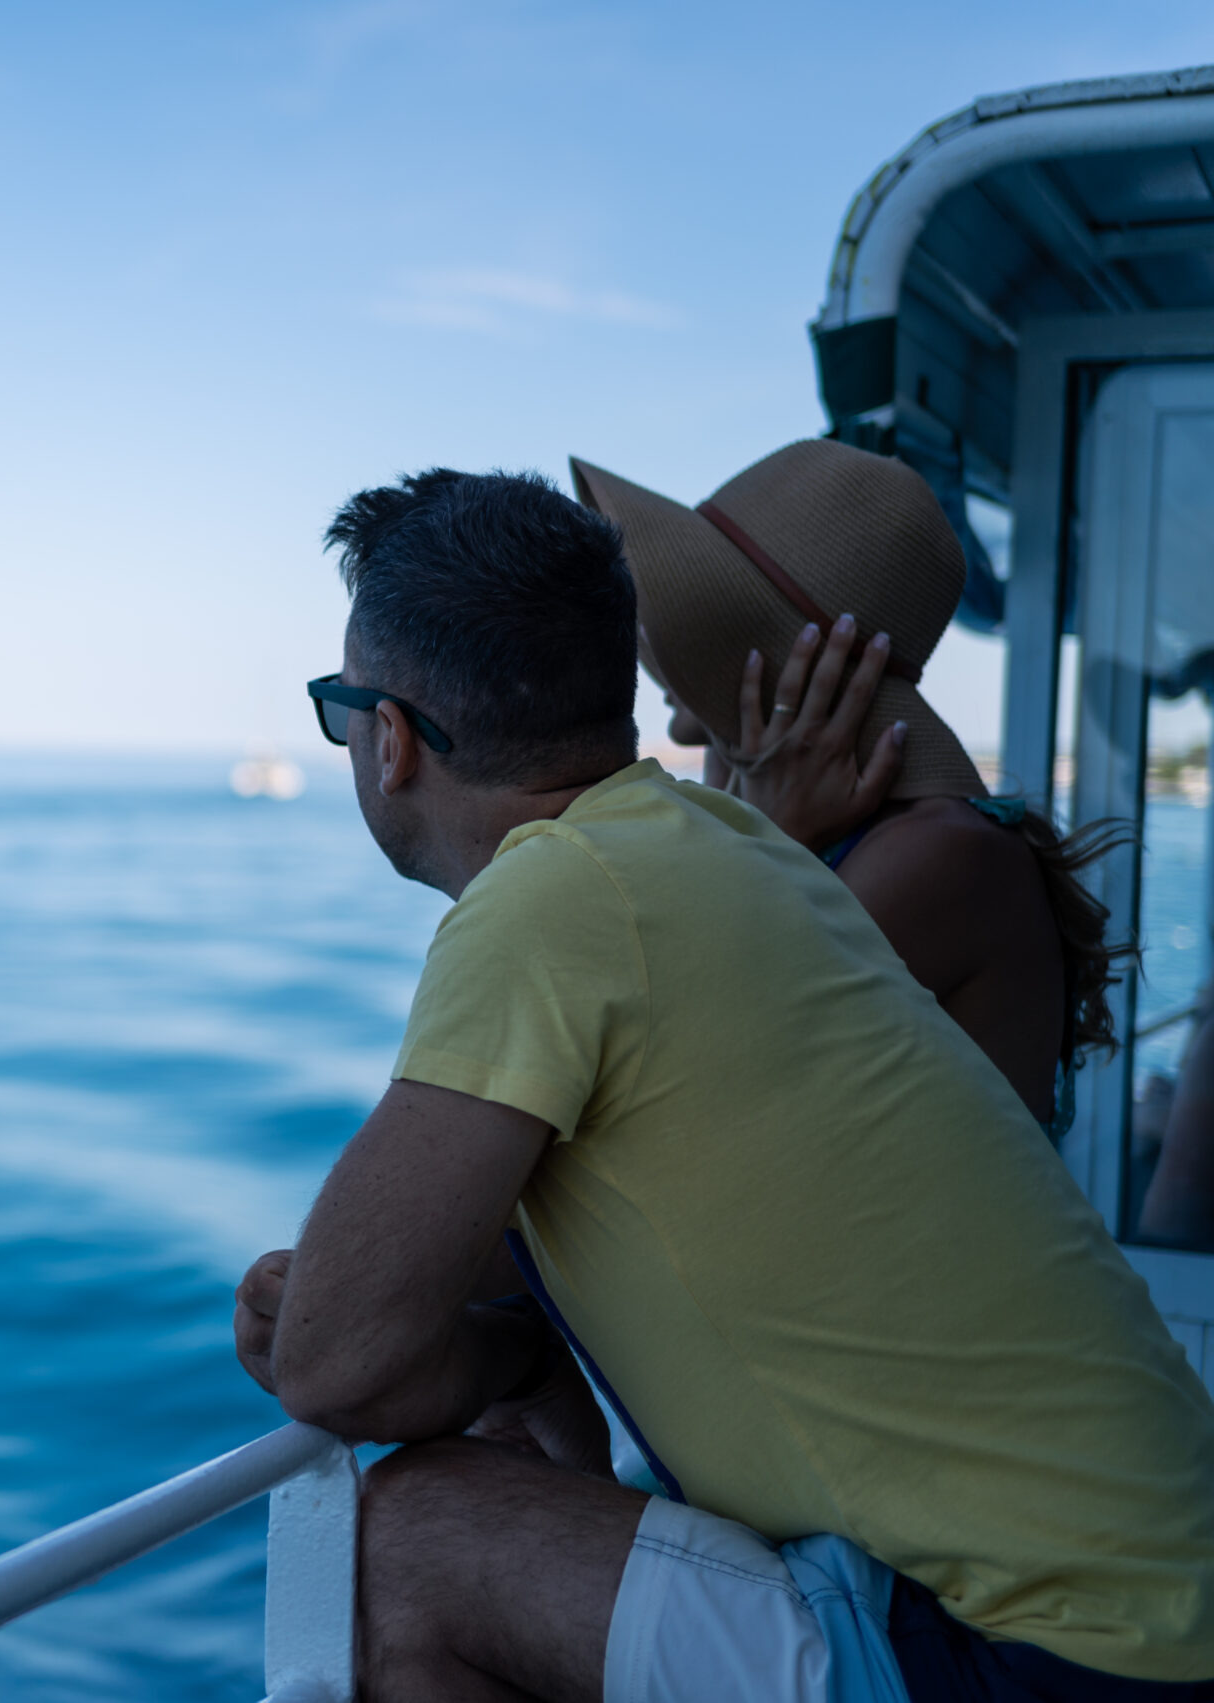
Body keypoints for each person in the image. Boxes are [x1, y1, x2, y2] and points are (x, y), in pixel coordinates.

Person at [236, 466, 1214, 1702]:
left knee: (404, 1536)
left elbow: (334, 1360)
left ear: (388, 738)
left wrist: (483, 1360)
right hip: (1141, 1596)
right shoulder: (746, 852)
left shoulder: (563, 897)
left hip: (1063, 1653)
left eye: (339, 710)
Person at [567, 439, 1126, 1133]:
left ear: (797, 662)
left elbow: (677, 1078)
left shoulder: (941, 856)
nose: (654, 652)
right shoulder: (868, 835)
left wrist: (762, 845)